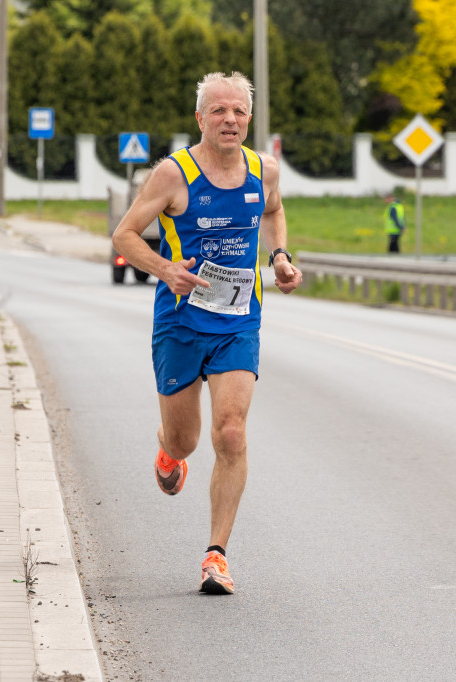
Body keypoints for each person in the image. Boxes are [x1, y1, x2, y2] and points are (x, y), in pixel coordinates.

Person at [111, 71, 302, 595]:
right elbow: (124, 234)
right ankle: (167, 448)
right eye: (218, 111)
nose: (230, 120)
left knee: (231, 432)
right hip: (180, 320)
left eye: (239, 111)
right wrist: (166, 269)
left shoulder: (265, 170)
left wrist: (280, 257)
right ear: (200, 118)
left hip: (238, 321)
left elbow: (275, 210)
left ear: (249, 118)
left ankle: (215, 556)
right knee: (187, 440)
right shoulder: (174, 174)